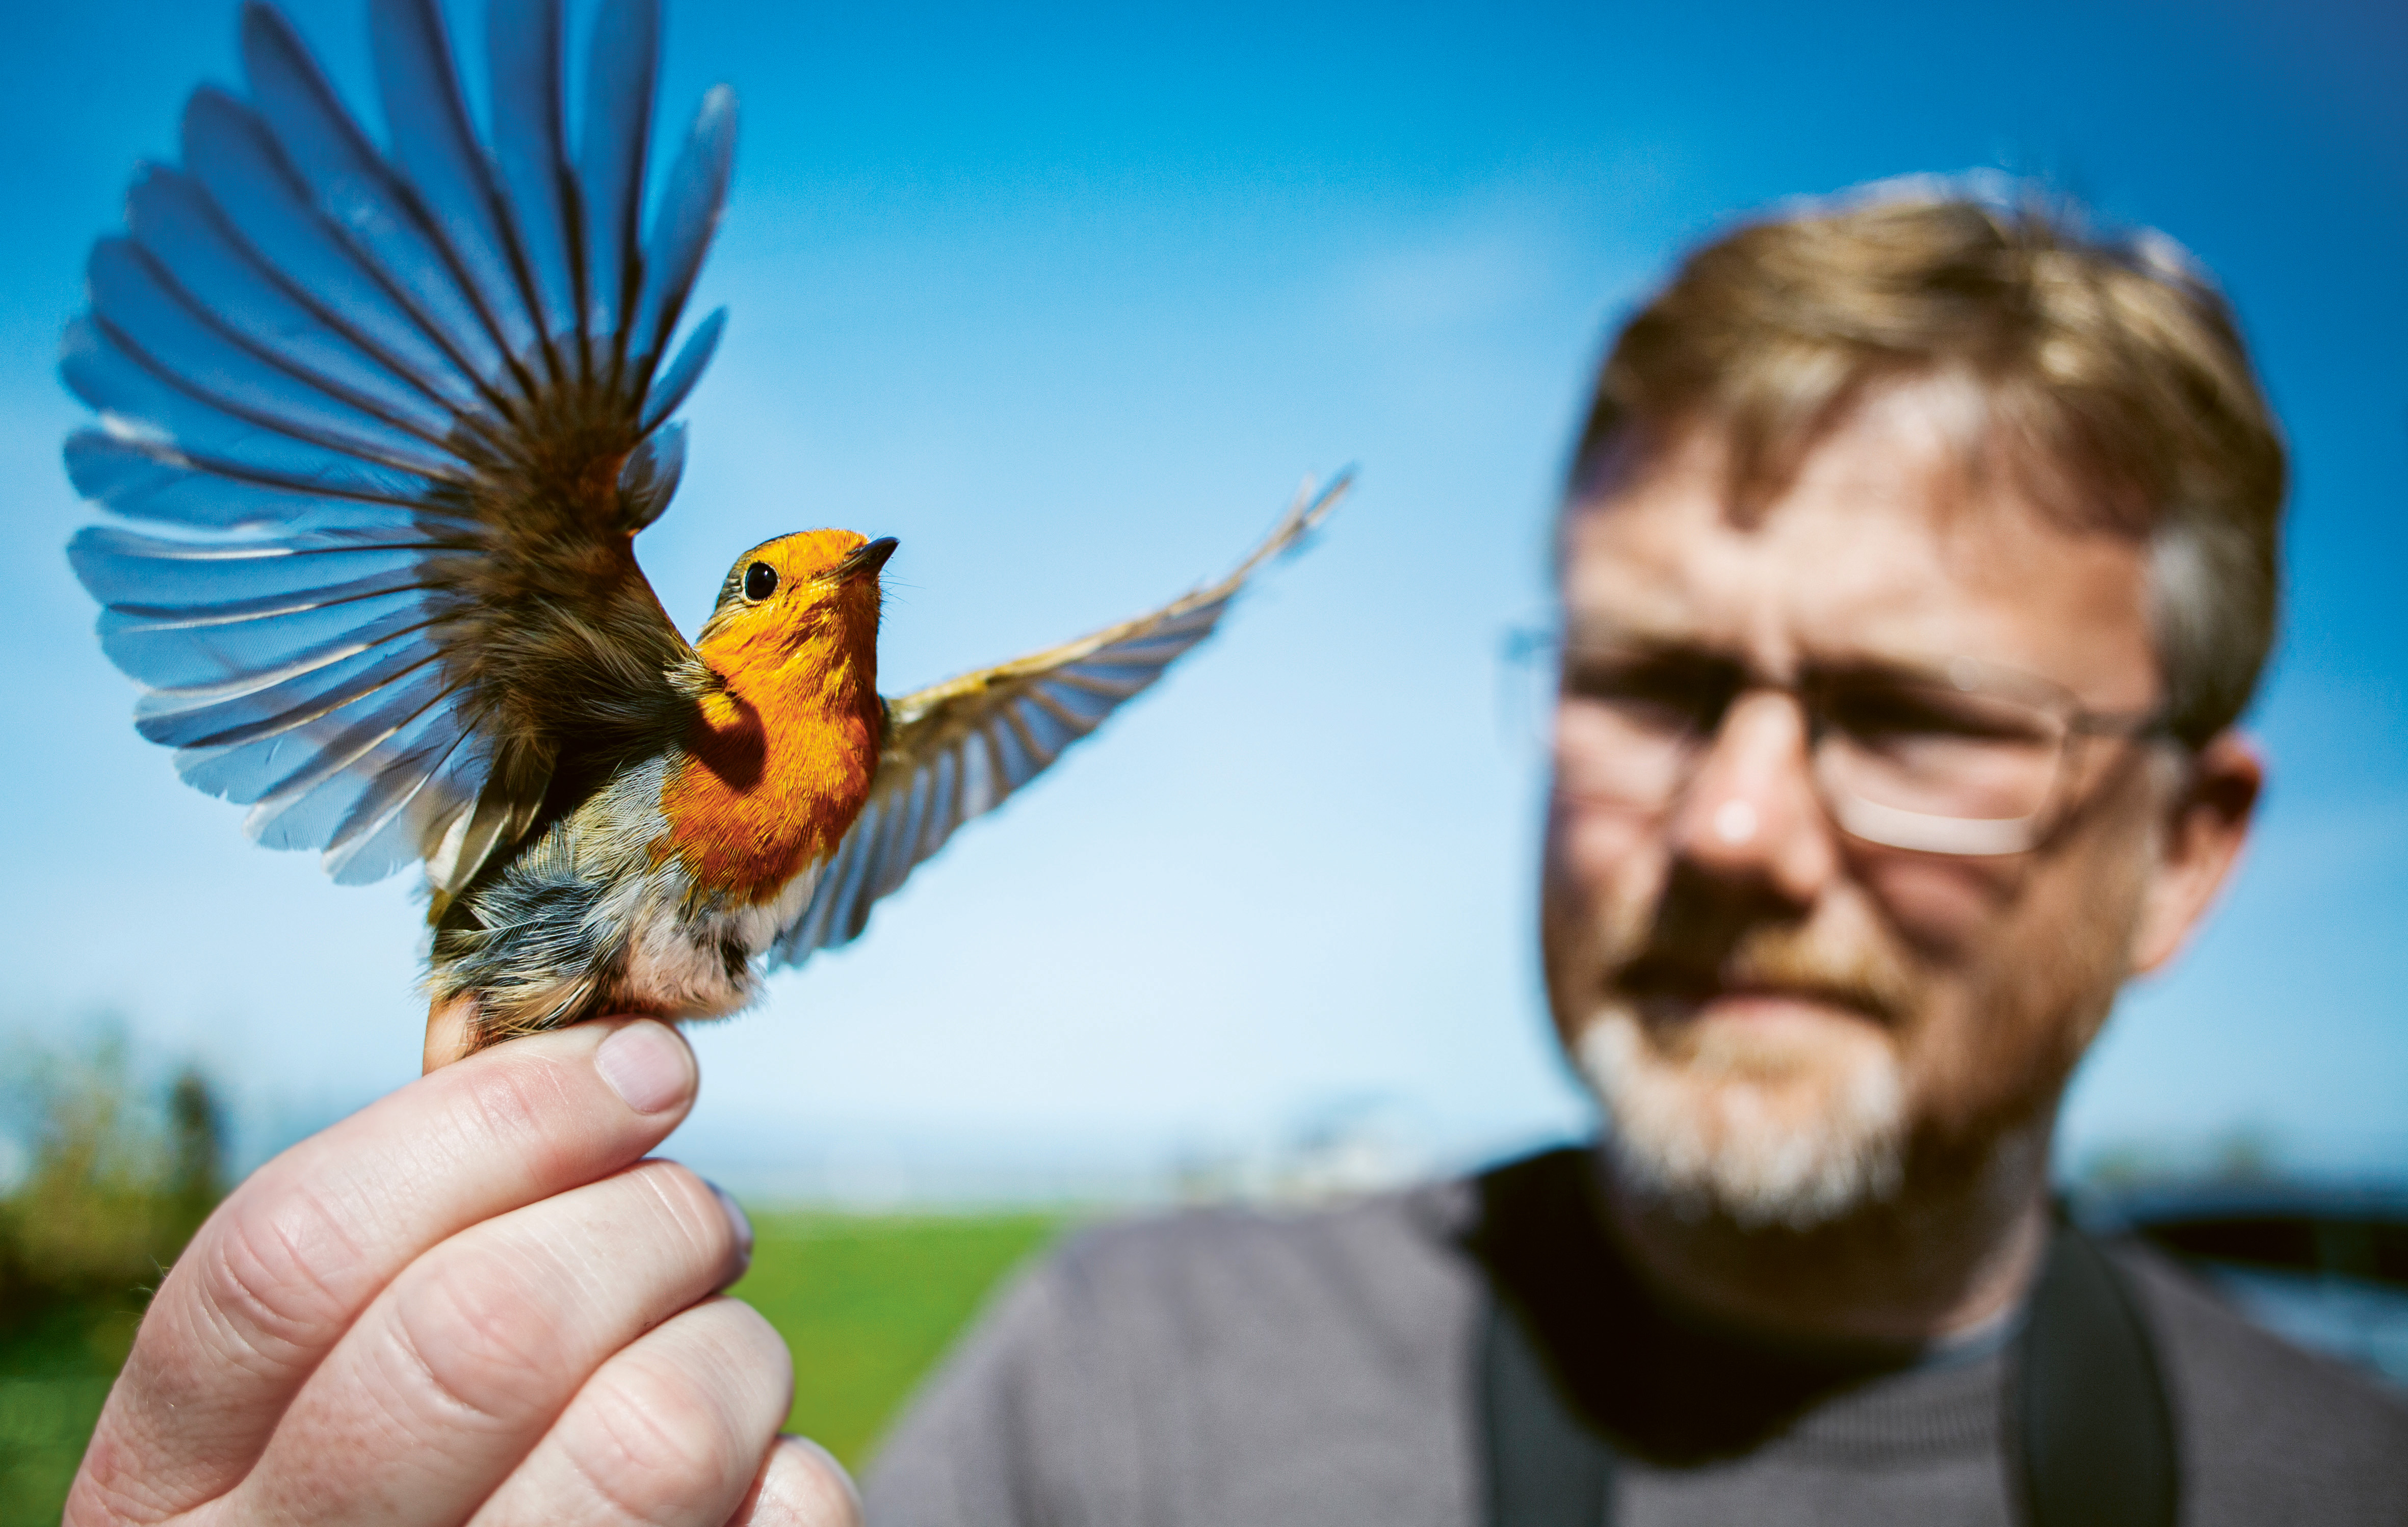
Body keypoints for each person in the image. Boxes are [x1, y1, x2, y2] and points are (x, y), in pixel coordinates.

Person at [64, 185, 2407, 1527]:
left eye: (1909, 714)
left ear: (2182, 853)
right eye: (1653, 677)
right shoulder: (1120, 1387)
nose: (1726, 822)